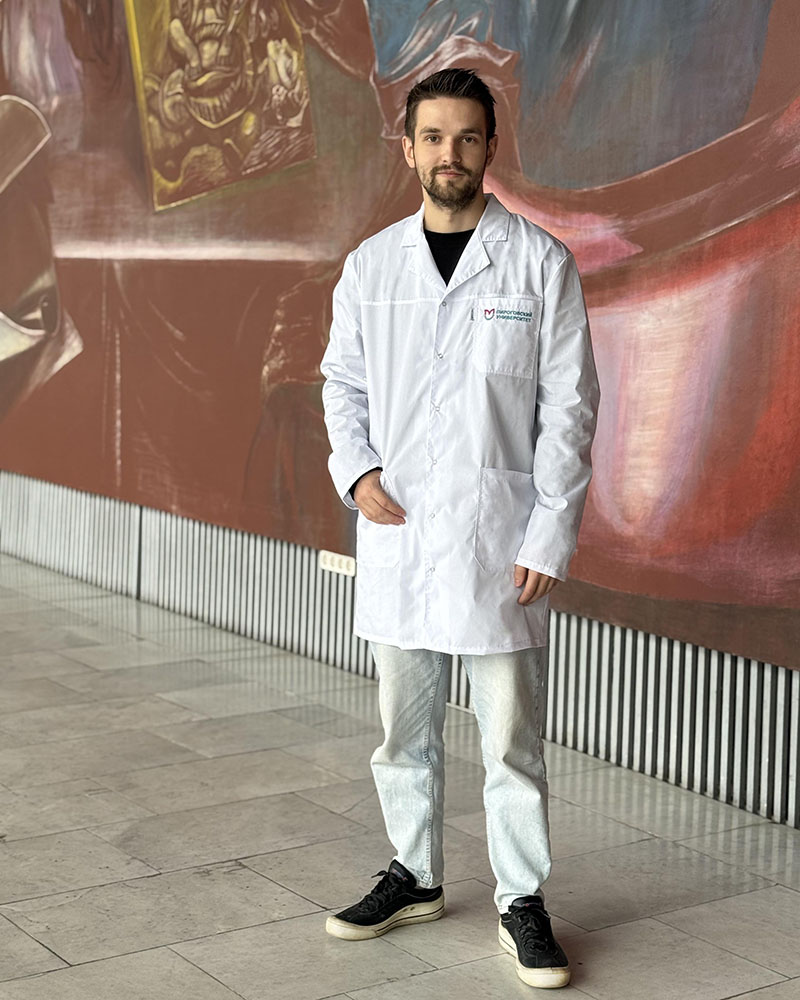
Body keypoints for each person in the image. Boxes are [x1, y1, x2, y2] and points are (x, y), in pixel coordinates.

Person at [319, 67, 599, 990]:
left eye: (468, 137)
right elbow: (342, 383)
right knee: (402, 731)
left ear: (490, 148)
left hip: (499, 539)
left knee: (510, 739)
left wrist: (550, 530)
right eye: (434, 137)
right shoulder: (371, 267)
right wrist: (356, 470)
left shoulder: (539, 263)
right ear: (408, 149)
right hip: (400, 531)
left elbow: (570, 408)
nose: (451, 153)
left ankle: (522, 899)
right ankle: (416, 874)